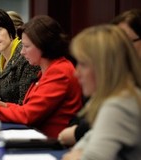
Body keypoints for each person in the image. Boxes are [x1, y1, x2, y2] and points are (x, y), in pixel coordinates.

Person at [0, 15, 83, 138]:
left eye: (26, 46)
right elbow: (26, 108)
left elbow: (28, 115)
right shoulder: (47, 70)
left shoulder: (60, 72)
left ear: (43, 46)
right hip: (36, 135)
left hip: (50, 143)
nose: (22, 52)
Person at [58, 8, 141, 147]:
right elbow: (82, 118)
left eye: (125, 43)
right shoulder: (106, 80)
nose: (119, 50)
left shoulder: (125, 98)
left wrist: (78, 133)